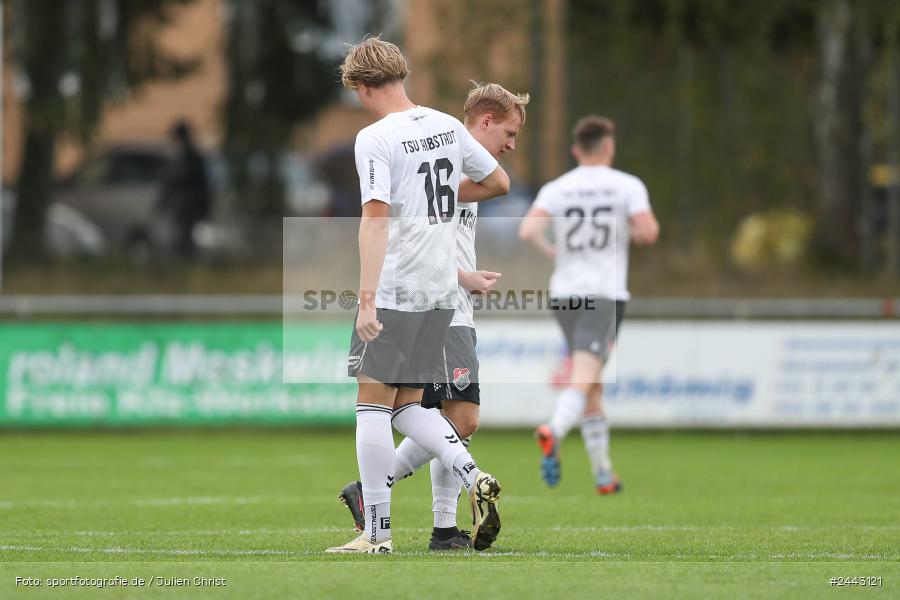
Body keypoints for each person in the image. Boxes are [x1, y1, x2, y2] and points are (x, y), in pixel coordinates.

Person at [326, 38, 511, 554]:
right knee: (409, 405)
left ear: (363, 87)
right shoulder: (447, 125)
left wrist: (366, 298)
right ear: (400, 75)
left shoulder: (374, 137)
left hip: (398, 286)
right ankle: (472, 475)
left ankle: (378, 535)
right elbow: (498, 182)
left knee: (371, 405)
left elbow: (375, 217)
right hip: (440, 292)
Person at [518, 115, 659, 494]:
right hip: (602, 294)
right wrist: (623, 230)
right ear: (609, 146)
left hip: (564, 294)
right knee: (585, 375)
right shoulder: (626, 186)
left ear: (576, 150)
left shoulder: (558, 187)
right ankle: (555, 430)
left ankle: (603, 474)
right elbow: (648, 231)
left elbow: (527, 229)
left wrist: (551, 250)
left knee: (592, 382)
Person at [157, 120, 211, 259]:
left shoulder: (189, 158)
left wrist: (163, 202)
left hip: (191, 203)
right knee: (185, 234)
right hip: (192, 203)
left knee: (185, 234)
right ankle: (187, 258)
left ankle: (187, 259)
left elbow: (177, 181)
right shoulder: (191, 157)